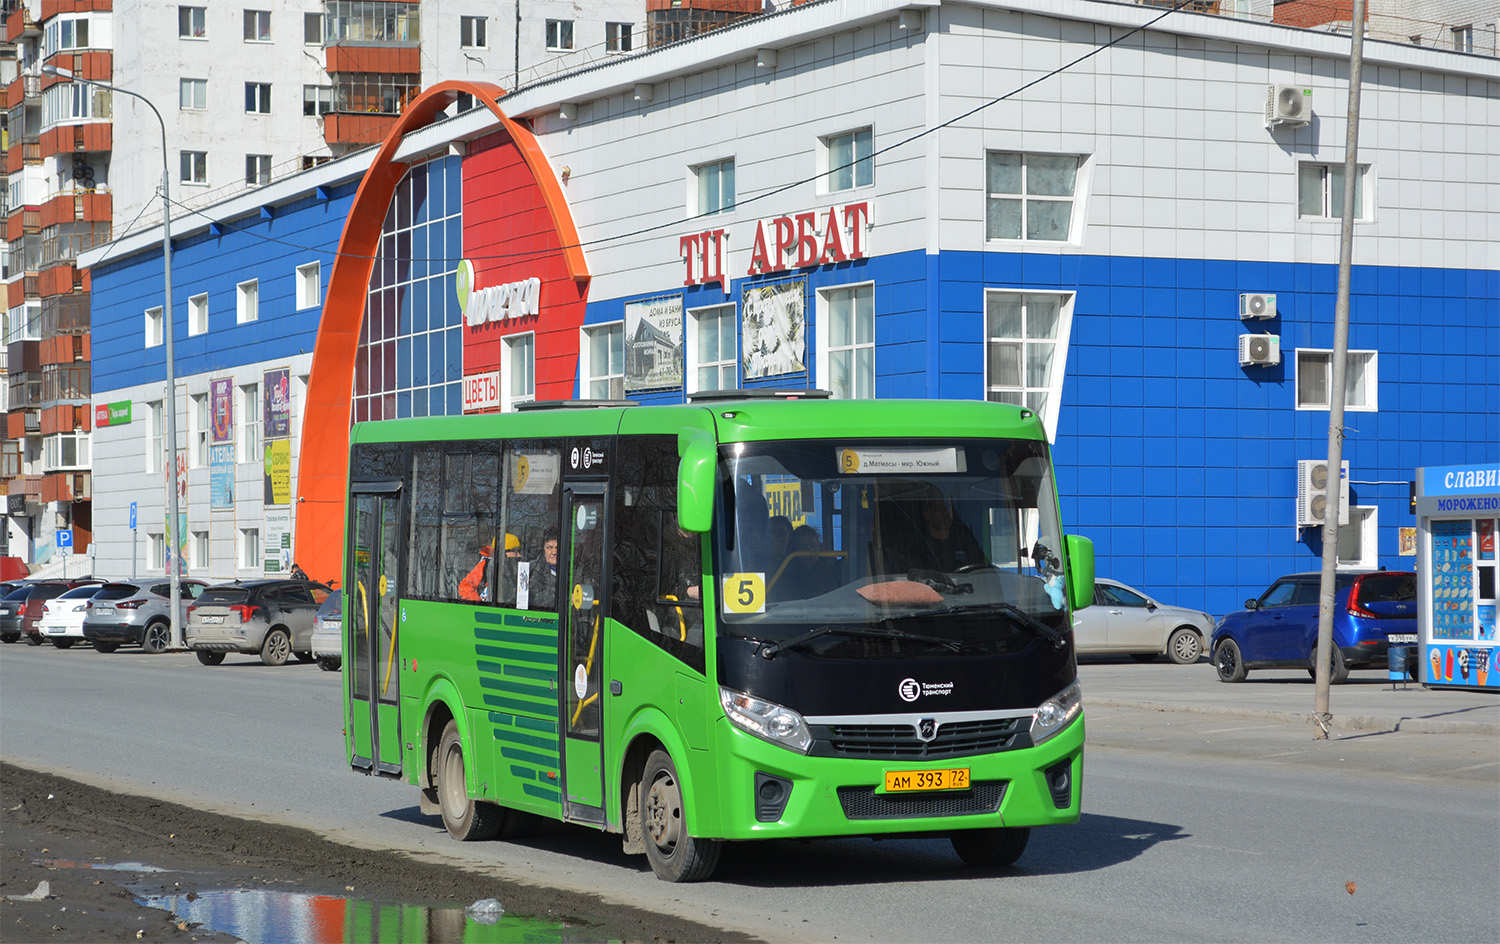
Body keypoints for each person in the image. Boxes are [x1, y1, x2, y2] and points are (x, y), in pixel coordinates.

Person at [528, 531, 560, 610]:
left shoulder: (575, 570)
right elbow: (535, 599)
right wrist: (567, 598)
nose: (554, 552)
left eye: (557, 548)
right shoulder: (533, 569)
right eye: (549, 547)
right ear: (543, 549)